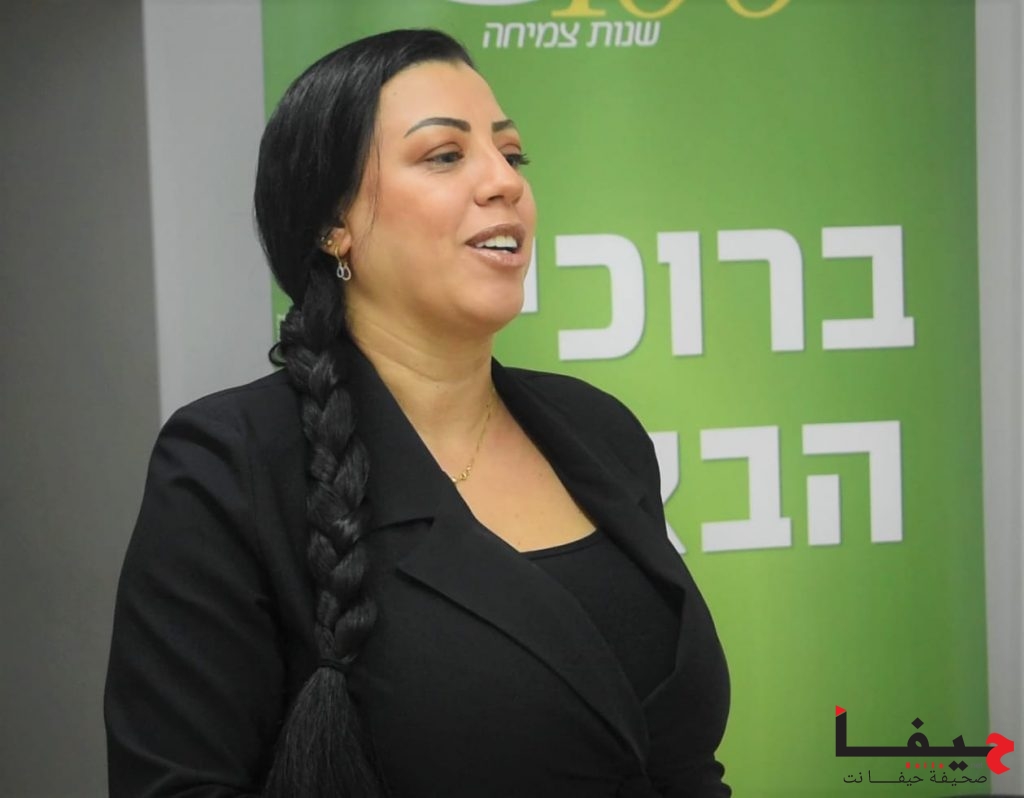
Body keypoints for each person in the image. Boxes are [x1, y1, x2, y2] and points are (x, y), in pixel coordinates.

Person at [104, 28, 730, 798]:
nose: (504, 182)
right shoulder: (228, 466)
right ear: (334, 226)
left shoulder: (601, 431)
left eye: (512, 154)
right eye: (444, 155)